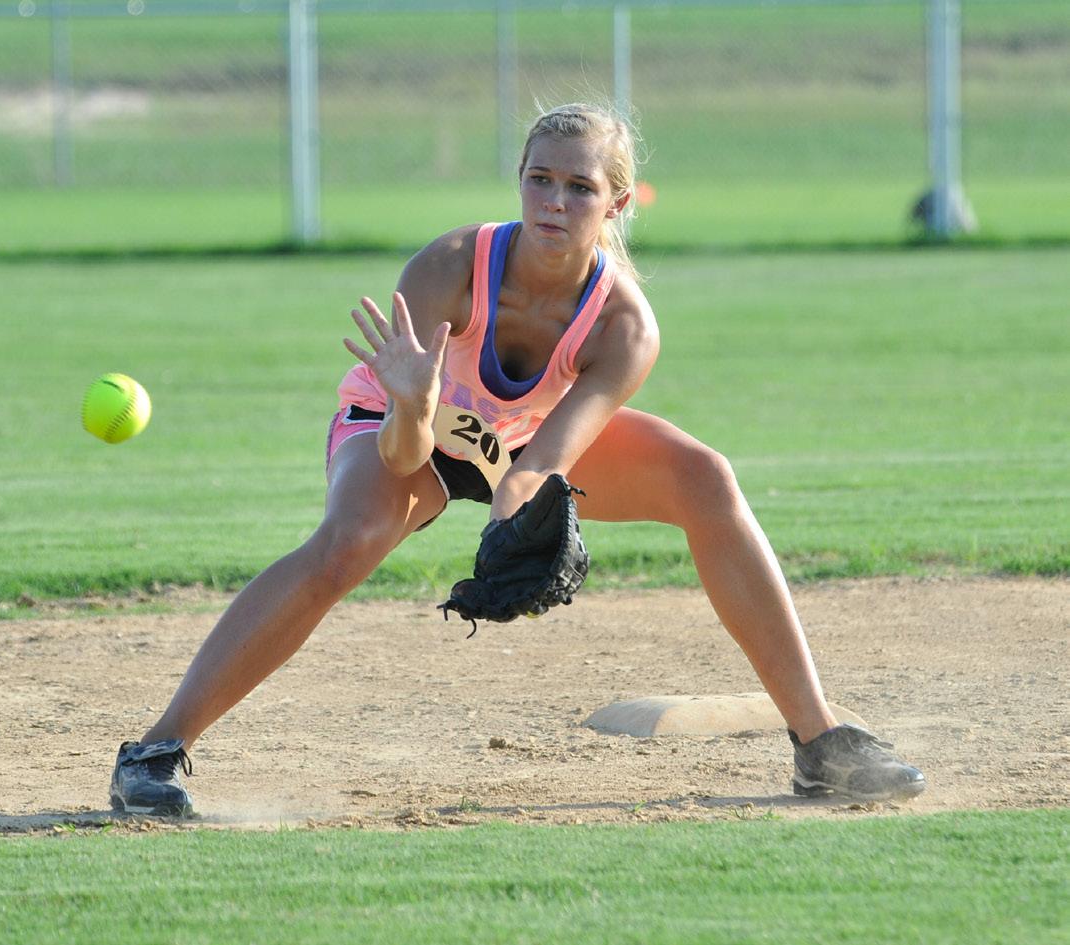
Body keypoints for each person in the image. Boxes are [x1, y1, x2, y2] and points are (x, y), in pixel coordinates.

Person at [110, 103, 925, 816]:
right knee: (346, 543)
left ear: (616, 202)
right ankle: (152, 754)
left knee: (703, 479)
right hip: (408, 426)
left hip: (523, 441)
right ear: (519, 182)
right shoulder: (448, 268)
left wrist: (511, 520)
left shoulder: (623, 326)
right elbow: (401, 452)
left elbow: (539, 465)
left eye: (579, 187)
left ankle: (818, 743)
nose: (554, 201)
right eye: (540, 179)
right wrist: (412, 403)